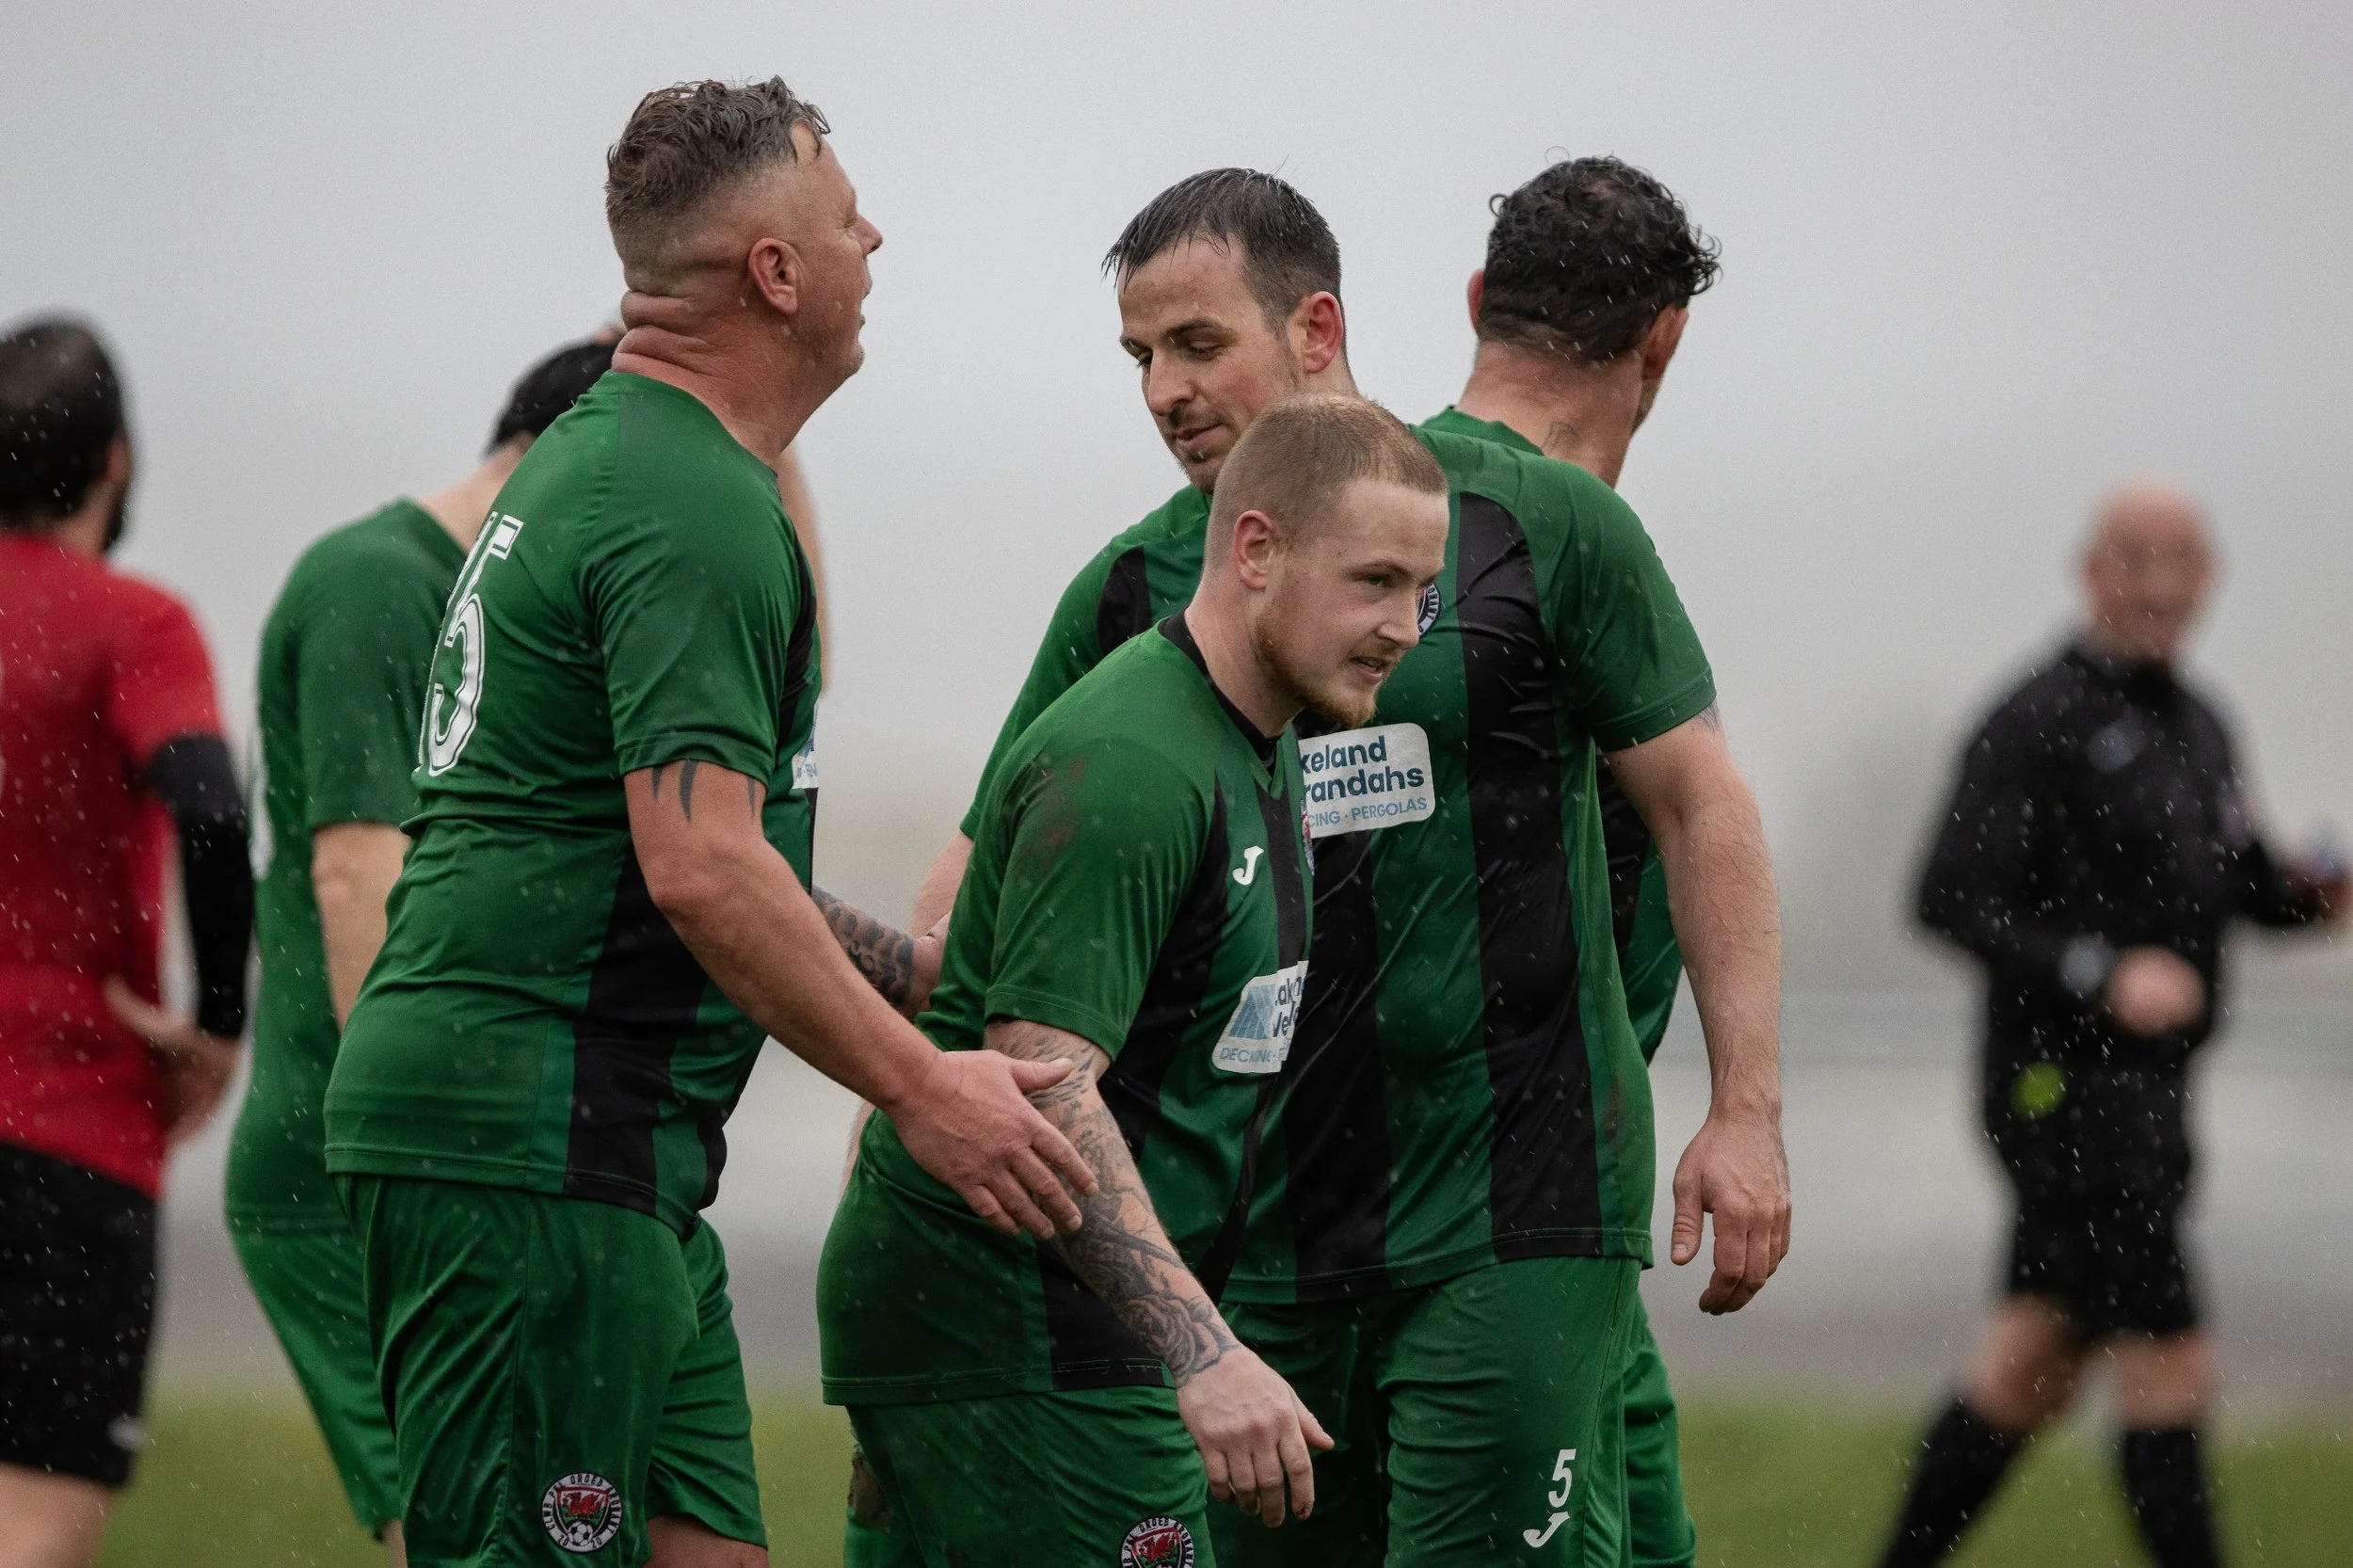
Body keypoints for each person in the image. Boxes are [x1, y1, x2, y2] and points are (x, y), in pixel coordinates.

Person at [888, 162, 1785, 1565]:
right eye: (1141, 358)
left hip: (1515, 1207)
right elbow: (970, 908)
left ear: (1316, 332)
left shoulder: (1534, 525)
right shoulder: (1133, 594)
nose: (1165, 391)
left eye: (1197, 346)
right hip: (1255, 1244)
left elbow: (1701, 806)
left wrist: (1746, 1110)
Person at [320, 78, 1096, 1568]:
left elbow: (637, 847)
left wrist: (919, 970)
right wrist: (925, 1088)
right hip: (526, 1148)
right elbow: (698, 867)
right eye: (846, 213)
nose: (879, 236)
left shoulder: (621, 457)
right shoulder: (688, 502)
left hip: (613, 1161)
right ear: (776, 271)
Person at [821, 393, 1453, 1564]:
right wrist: (1204, 1352)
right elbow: (1038, 1078)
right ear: (1256, 548)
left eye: (1421, 589)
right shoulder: (1133, 760)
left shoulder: (1251, 734)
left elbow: (954, 979)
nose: (1405, 625)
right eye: (1373, 580)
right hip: (1021, 1319)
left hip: (1026, 1321)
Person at [1872, 485, 2343, 1568]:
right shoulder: (2035, 717)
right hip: (2058, 1094)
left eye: (2184, 560)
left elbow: (2238, 877)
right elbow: (1944, 894)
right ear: (2091, 570)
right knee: (2171, 1362)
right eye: (2138, 558)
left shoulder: (2199, 721)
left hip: (2156, 1095)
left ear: (2210, 575)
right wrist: (2096, 971)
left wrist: (2311, 894)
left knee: (2027, 1366)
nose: (2162, 585)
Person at [228, 335, 616, 1564]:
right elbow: (360, 876)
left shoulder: (494, 600)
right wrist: (423, 1156)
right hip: (364, 1157)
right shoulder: (378, 581)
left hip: (456, 1142)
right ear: (566, 457)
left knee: (537, 1518)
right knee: (460, 1525)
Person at [0, 317, 251, 1568]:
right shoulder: (129, 622)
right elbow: (208, 800)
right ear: (114, 461)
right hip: (65, 1135)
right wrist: (217, 1024)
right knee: (37, 1519)